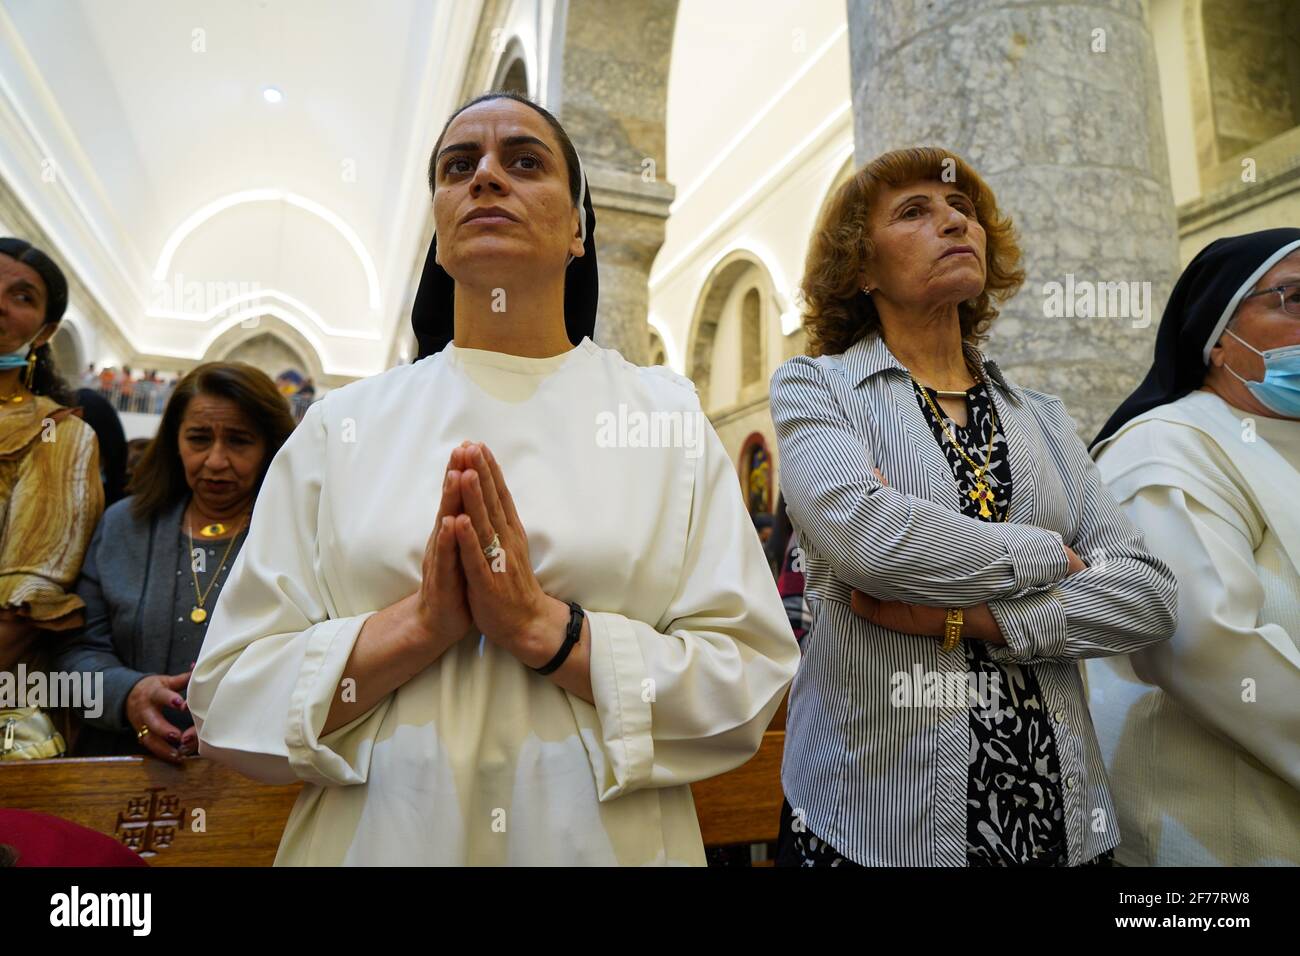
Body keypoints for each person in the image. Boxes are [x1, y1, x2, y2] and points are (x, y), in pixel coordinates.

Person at [187, 91, 799, 865]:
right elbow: (231, 693)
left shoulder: (663, 418)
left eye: (524, 161)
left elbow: (746, 675)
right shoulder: (342, 426)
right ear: (439, 235)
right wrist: (416, 628)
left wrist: (549, 633)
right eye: (457, 166)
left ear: (578, 227)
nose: (485, 177)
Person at [768, 147, 1178, 867]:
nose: (954, 221)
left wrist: (976, 619)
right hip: (880, 820)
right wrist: (1051, 554)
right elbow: (870, 542)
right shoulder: (817, 389)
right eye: (915, 212)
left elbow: (1147, 595)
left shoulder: (1042, 417)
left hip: (1060, 817)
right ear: (860, 268)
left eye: (963, 210)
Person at [1088, 228, 1300, 866]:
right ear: (1217, 337)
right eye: (1293, 299)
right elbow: (1205, 644)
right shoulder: (1167, 446)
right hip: (1215, 829)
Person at [54, 363, 295, 760]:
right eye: (199, 439)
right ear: (174, 441)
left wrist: (247, 716)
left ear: (270, 447)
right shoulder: (124, 526)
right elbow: (73, 656)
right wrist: (128, 694)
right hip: (117, 770)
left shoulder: (298, 537)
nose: (216, 461)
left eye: (239, 441)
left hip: (255, 778)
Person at [0, 238, 103, 759]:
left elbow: (20, 613)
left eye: (21, 295)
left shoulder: (58, 436)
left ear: (45, 332)